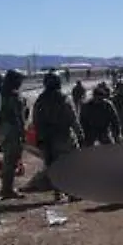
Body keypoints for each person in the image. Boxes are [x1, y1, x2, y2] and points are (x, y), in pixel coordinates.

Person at [32, 71, 84, 202]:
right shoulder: (63, 98)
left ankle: (58, 193)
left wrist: (39, 138)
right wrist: (79, 132)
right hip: (64, 135)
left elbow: (36, 121)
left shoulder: (41, 100)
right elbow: (72, 118)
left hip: (47, 137)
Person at [0, 69, 28, 198]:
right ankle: (7, 189)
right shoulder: (15, 97)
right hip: (13, 130)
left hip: (3, 130)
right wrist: (23, 133)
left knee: (8, 160)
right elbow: (19, 117)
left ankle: (7, 188)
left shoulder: (0, 94)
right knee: (11, 160)